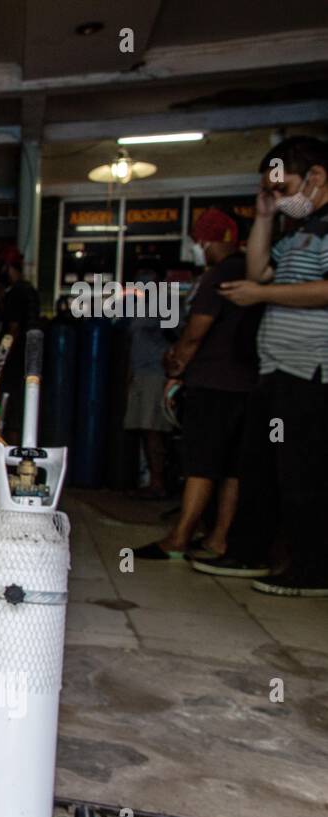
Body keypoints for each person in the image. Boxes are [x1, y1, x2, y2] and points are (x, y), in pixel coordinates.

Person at [194, 136, 328, 596]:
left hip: (311, 368)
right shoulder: (297, 229)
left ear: (316, 177)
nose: (278, 196)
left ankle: (312, 570)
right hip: (273, 368)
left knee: (301, 470)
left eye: (283, 187)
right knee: (260, 467)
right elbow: (256, 274)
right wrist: (266, 219)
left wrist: (263, 297)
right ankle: (247, 552)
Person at [132, 209, 258, 561]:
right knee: (232, 466)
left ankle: (180, 537)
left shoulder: (218, 275)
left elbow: (197, 329)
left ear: (205, 241)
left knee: (201, 462)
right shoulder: (254, 271)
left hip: (214, 380)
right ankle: (219, 538)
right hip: (247, 382)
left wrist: (177, 361)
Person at [121, 261, 173, 499]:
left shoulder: (164, 306)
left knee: (154, 431)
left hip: (155, 374)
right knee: (144, 430)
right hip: (141, 373)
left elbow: (176, 338)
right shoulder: (136, 308)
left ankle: (158, 483)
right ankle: (152, 480)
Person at [0, 246, 39, 441]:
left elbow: (12, 330)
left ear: (7, 267)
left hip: (15, 361)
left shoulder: (17, 292)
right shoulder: (29, 290)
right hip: (30, 359)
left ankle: (8, 454)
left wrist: (1, 361)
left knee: (10, 410)